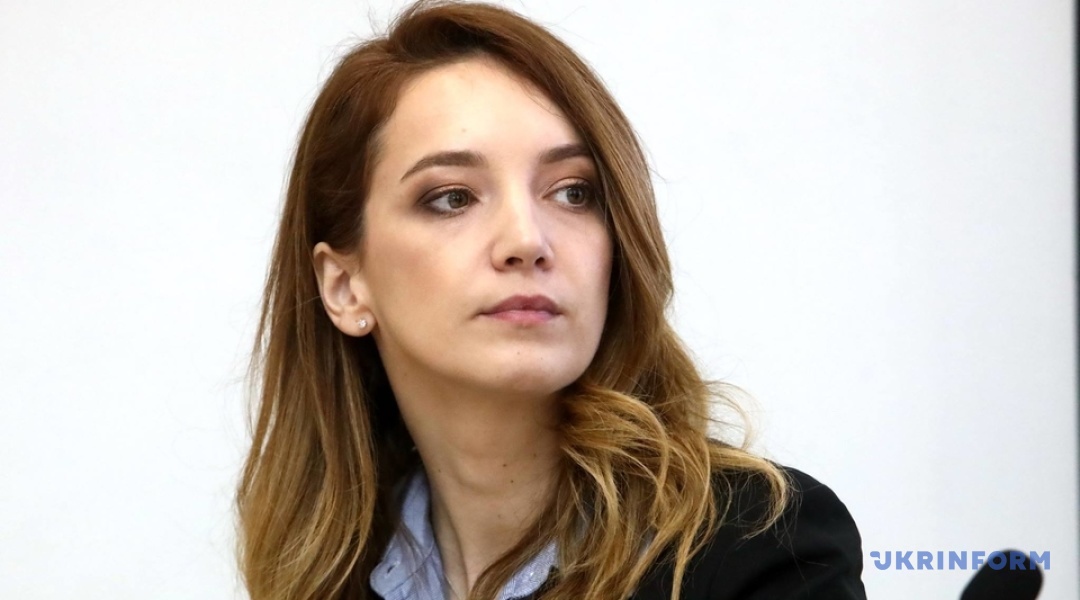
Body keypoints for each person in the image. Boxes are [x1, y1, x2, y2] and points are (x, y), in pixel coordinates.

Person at [235, 2, 867, 599]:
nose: (526, 241)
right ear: (345, 287)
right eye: (453, 197)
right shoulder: (325, 576)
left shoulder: (764, 547)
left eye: (572, 193)